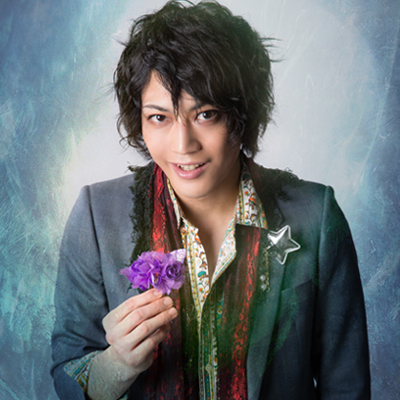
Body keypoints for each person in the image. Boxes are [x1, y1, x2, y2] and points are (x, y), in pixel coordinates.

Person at [51, 1, 371, 399]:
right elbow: (66, 373)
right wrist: (115, 366)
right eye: (159, 117)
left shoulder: (315, 215)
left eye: (205, 114)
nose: (183, 144)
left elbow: (347, 386)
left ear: (243, 113)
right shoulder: (97, 216)